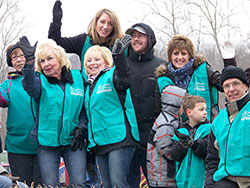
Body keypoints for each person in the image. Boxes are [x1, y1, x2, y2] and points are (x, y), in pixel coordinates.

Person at [21, 36, 87, 187]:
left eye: (49, 58)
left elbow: (84, 108)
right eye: (42, 61)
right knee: (50, 184)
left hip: (74, 141)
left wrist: (82, 127)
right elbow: (29, 86)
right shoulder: (39, 81)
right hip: (47, 143)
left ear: (60, 58)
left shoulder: (78, 77)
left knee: (79, 183)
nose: (46, 64)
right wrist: (29, 62)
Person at [84, 35, 140, 188]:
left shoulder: (112, 75)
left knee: (118, 183)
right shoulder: (88, 85)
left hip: (119, 138)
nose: (92, 63)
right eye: (89, 60)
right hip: (100, 141)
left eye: (97, 59)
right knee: (107, 185)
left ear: (106, 61)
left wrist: (119, 57)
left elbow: (124, 79)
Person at [155, 35, 238, 123]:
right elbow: (157, 109)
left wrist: (229, 63)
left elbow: (224, 84)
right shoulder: (163, 79)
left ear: (190, 55)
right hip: (176, 130)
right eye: (175, 53)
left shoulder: (204, 70)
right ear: (170, 56)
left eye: (183, 53)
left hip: (207, 128)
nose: (179, 57)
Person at [124, 23, 167, 187]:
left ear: (150, 38)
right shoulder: (122, 65)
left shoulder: (162, 65)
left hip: (154, 135)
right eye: (133, 36)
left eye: (140, 35)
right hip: (129, 137)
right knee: (130, 182)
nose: (136, 39)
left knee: (155, 182)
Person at [0, 42, 42, 186]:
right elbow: (2, 100)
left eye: (22, 55)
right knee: (22, 184)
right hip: (17, 147)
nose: (18, 59)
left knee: (41, 184)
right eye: (14, 57)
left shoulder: (41, 78)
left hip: (42, 144)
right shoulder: (8, 84)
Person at [48, 0, 123, 80]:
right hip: (87, 88)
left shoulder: (119, 45)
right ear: (96, 22)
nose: (105, 27)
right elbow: (55, 43)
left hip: (110, 88)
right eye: (102, 22)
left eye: (110, 24)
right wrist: (56, 22)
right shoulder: (83, 41)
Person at [205, 65, 250, 188]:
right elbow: (212, 159)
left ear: (245, 86)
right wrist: (209, 184)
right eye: (226, 86)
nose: (231, 89)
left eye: (236, 83)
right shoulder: (218, 120)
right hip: (227, 180)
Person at [147, 85, 186, 187]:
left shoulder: (171, 118)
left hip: (165, 176)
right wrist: (181, 152)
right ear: (175, 105)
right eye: (182, 104)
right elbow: (166, 149)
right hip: (163, 177)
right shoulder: (166, 124)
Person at [171, 95, 211, 188]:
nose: (205, 113)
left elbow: (207, 150)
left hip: (203, 180)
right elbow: (174, 155)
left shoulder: (210, 129)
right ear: (189, 112)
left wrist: (194, 144)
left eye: (206, 109)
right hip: (182, 180)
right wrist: (181, 145)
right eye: (201, 110)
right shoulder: (181, 131)